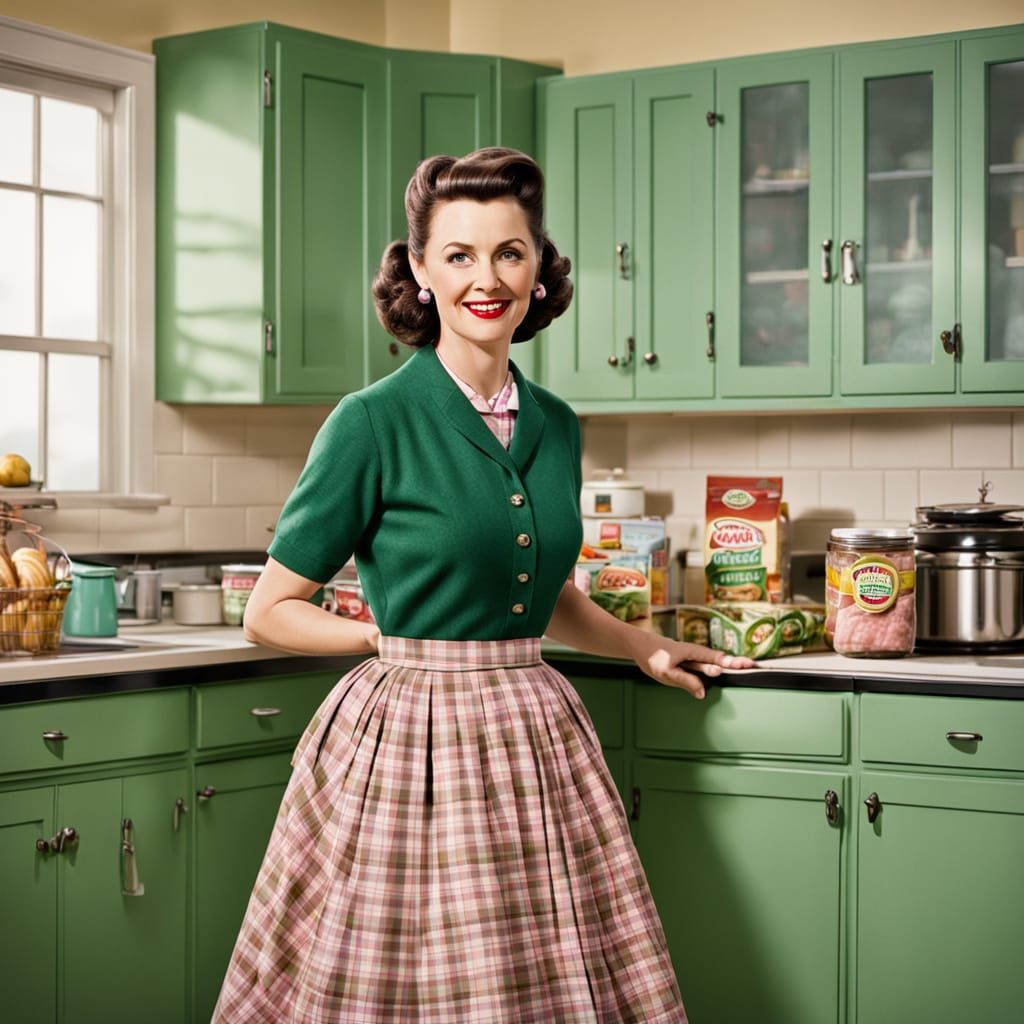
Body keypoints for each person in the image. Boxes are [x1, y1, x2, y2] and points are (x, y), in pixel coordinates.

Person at [212, 147, 754, 1024]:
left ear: (539, 269)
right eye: (459, 255)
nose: (487, 279)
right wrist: (384, 640)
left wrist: (644, 648)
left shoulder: (558, 425)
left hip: (536, 733)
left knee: (541, 979)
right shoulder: (370, 422)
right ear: (421, 271)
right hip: (411, 743)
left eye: (509, 252)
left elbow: (547, 595)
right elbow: (268, 613)